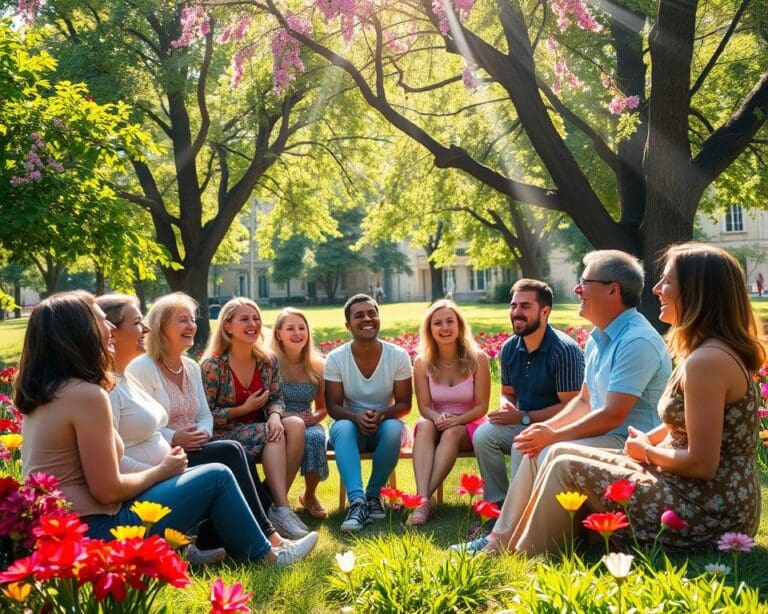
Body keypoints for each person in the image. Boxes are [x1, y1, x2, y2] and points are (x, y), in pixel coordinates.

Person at [494, 243, 764, 554]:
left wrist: (647, 452)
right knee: (556, 454)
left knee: (564, 463)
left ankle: (524, 556)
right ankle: (508, 544)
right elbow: (680, 425)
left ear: (696, 290)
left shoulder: (707, 361)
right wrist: (648, 442)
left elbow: (702, 464)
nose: (656, 289)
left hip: (708, 508)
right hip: (689, 487)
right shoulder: (703, 353)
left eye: (667, 281)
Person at [16, 292, 312, 565]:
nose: (109, 328)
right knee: (217, 476)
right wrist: (163, 470)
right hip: (93, 532)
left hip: (66, 530)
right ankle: (269, 557)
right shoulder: (87, 394)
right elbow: (107, 490)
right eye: (101, 320)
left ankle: (230, 544)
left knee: (222, 460)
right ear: (80, 332)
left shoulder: (51, 391)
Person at [454, 250, 672, 553]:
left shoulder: (636, 340)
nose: (576, 290)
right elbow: (584, 400)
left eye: (585, 282)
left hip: (630, 440)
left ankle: (522, 544)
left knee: (548, 449)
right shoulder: (600, 337)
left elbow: (612, 415)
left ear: (613, 289)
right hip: (605, 434)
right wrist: (541, 430)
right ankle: (501, 538)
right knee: (531, 444)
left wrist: (553, 434)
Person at [200, 298, 308, 538]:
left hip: (261, 427)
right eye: (244, 319)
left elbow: (277, 397)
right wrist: (243, 409)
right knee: (273, 434)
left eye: (256, 318)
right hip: (225, 434)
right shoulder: (213, 366)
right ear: (228, 326)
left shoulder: (267, 360)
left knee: (294, 425)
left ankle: (274, 505)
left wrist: (275, 416)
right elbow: (205, 415)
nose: (253, 324)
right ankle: (281, 508)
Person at [472, 279, 584, 508]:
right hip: (524, 421)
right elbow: (507, 392)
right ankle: (497, 505)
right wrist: (507, 406)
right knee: (484, 435)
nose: (516, 313)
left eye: (525, 306)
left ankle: (520, 510)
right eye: (513, 306)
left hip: (559, 427)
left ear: (545, 311)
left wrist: (524, 417)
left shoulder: (564, 350)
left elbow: (573, 407)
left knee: (520, 445)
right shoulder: (510, 348)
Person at [325, 294, 412, 531]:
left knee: (394, 428)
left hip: (386, 426)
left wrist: (382, 415)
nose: (367, 319)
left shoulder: (398, 355)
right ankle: (357, 502)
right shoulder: (335, 358)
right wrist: (355, 417)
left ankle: (373, 496)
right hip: (351, 430)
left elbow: (404, 404)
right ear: (348, 325)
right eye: (359, 315)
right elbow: (333, 406)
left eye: (372, 313)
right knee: (341, 427)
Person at [409, 300, 490, 525]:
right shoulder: (421, 362)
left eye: (449, 321)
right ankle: (425, 499)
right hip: (436, 421)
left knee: (452, 432)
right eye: (437, 323)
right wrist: (437, 417)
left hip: (469, 423)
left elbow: (482, 406)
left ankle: (420, 502)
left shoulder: (478, 358)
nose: (444, 327)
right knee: (424, 425)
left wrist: (457, 420)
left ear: (459, 326)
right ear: (430, 330)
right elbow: (424, 406)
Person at [270, 308, 329, 519]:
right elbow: (264, 403)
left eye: (302, 328)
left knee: (315, 438)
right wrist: (284, 417)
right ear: (279, 334)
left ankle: (310, 495)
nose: (297, 333)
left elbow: (323, 407)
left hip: (308, 421)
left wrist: (315, 417)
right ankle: (277, 499)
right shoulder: (269, 363)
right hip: (276, 419)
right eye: (290, 328)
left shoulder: (318, 366)